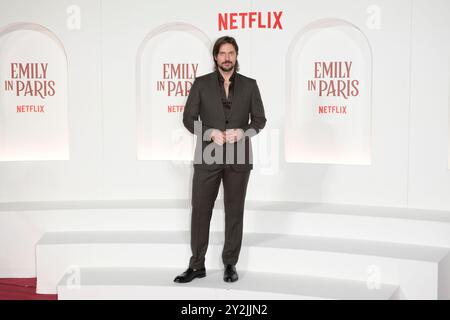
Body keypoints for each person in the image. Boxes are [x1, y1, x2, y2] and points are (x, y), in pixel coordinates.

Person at [174, 36, 267, 283]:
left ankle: (230, 264)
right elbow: (188, 118)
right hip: (208, 156)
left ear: (236, 56)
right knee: (200, 211)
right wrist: (209, 132)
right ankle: (197, 266)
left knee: (234, 212)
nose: (227, 57)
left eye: (231, 53)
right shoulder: (201, 84)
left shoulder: (250, 85)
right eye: (222, 53)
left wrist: (242, 132)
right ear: (215, 57)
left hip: (239, 157)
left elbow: (260, 121)